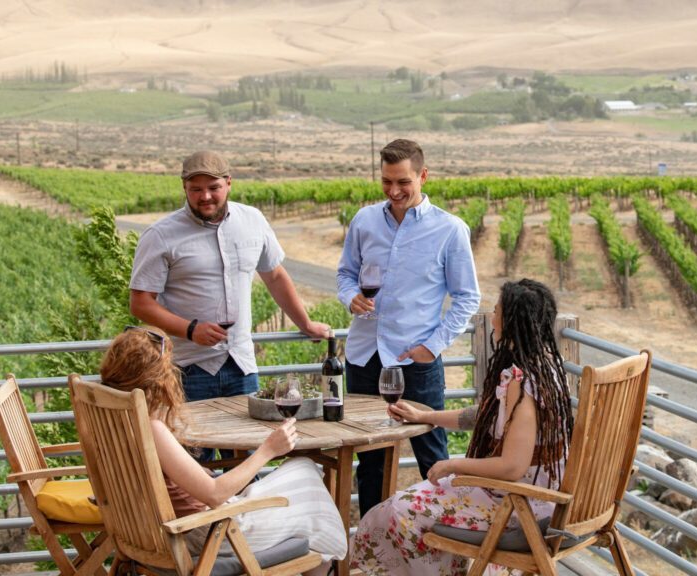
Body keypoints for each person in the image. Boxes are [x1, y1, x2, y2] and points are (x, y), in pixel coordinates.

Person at [351, 279, 574, 576]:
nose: (491, 316)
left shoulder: (521, 383)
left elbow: (512, 467)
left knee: (397, 513)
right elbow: (480, 416)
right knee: (391, 510)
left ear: (510, 322)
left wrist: (453, 464)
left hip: (519, 508)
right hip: (533, 499)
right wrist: (424, 417)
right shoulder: (544, 369)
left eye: (496, 310)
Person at [130, 151, 330, 459]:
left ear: (229, 183)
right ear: (184, 187)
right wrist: (190, 329)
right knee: (193, 468)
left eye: (213, 187)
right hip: (187, 371)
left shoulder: (253, 220)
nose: (205, 196)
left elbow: (275, 275)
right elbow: (141, 303)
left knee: (246, 466)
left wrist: (305, 324)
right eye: (195, 189)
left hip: (242, 368)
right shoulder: (160, 236)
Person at [99, 326, 346, 574]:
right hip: (209, 533)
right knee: (309, 485)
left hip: (164, 531)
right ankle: (328, 568)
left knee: (303, 469)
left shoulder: (112, 422)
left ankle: (324, 567)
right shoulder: (151, 430)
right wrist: (269, 449)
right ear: (157, 379)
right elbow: (215, 494)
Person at [336, 139, 481, 515]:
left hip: (417, 362)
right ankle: (373, 550)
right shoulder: (364, 221)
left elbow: (467, 297)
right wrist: (350, 296)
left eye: (403, 182)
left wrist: (432, 346)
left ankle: (441, 550)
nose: (394, 191)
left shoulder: (450, 230)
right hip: (364, 357)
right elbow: (345, 274)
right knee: (370, 461)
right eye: (386, 181)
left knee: (432, 457)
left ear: (423, 175)